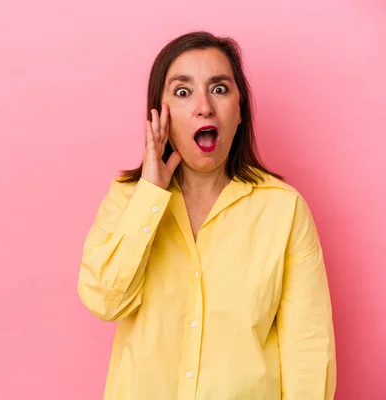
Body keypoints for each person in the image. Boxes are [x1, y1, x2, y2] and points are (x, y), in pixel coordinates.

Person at [77, 31, 336, 399]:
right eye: (183, 92)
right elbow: (104, 301)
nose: (203, 107)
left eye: (219, 89)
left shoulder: (283, 209)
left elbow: (308, 350)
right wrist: (150, 195)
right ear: (158, 115)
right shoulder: (127, 199)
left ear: (240, 109)